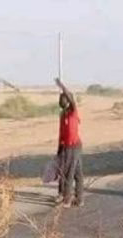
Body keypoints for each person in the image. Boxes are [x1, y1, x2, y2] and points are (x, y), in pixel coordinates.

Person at [53, 77, 84, 207]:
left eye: (63, 98)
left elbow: (71, 100)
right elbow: (61, 133)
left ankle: (67, 200)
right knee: (77, 173)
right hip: (66, 147)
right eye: (60, 99)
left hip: (74, 146)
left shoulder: (72, 112)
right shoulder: (63, 114)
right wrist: (59, 149)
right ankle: (79, 199)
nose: (61, 101)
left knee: (69, 173)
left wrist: (62, 86)